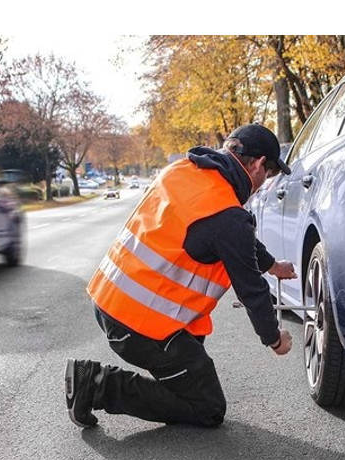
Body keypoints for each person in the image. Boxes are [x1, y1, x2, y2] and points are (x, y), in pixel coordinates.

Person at [65, 123, 297, 429]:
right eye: (266, 175)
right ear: (255, 164)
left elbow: (229, 236)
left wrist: (272, 266)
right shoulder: (228, 216)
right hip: (141, 324)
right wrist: (273, 339)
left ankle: (172, 376)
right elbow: (251, 288)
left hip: (110, 301)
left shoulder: (184, 171)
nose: (262, 185)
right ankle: (96, 385)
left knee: (192, 366)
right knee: (207, 407)